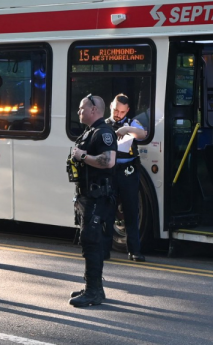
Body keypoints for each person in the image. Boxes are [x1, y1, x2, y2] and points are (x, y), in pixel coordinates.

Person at [67, 94, 116, 307]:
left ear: (94, 109)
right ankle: (93, 286)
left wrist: (83, 157)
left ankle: (93, 291)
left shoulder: (103, 133)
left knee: (92, 241)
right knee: (87, 239)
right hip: (87, 195)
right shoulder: (90, 132)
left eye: (81, 108)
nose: (79, 112)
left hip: (97, 197)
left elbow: (109, 161)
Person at [104, 94, 148, 262]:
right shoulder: (104, 124)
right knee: (108, 211)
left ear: (127, 110)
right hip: (110, 171)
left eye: (122, 111)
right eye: (116, 110)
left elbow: (143, 134)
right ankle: (105, 250)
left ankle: (134, 251)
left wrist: (126, 129)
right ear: (110, 106)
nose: (118, 114)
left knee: (130, 210)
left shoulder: (131, 123)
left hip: (128, 172)